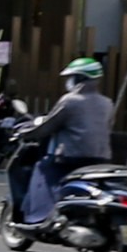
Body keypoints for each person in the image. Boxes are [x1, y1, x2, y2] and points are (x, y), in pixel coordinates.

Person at [13, 58, 114, 224]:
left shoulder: (70, 101)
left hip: (71, 157)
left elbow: (48, 126)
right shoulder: (107, 103)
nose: (68, 81)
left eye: (71, 77)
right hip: (101, 158)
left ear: (79, 78)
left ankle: (40, 216)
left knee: (42, 168)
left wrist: (24, 133)